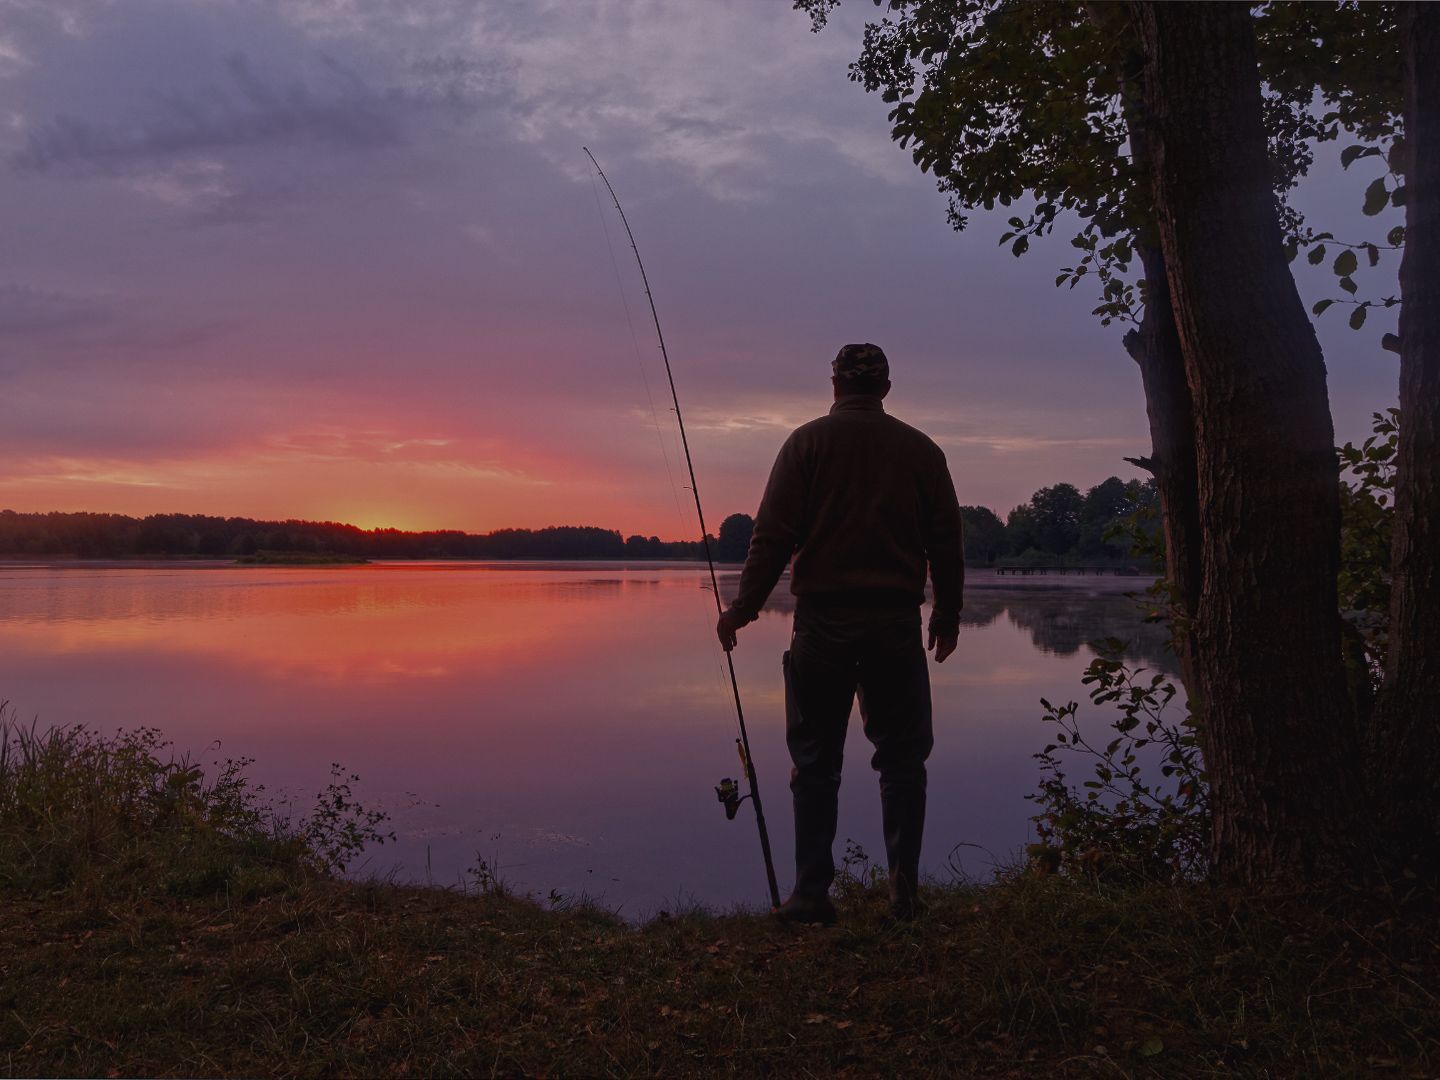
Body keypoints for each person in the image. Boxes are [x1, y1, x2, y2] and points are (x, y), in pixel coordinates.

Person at [716, 343, 964, 925]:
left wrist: (743, 608)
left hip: (823, 626)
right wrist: (947, 615)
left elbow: (771, 536)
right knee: (903, 761)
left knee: (815, 761)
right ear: (885, 387)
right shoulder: (922, 451)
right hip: (896, 625)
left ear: (834, 385)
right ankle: (904, 896)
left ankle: (810, 895)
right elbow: (947, 545)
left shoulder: (805, 444)